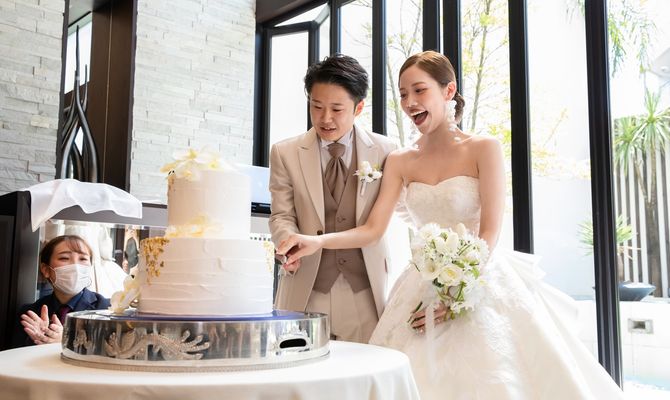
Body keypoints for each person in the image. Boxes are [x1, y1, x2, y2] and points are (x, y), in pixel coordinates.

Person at [277, 51, 624, 399]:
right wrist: (316, 242)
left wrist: (457, 293)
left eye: (419, 90)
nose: (409, 102)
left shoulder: (484, 148)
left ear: (448, 90)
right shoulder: (399, 159)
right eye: (403, 94)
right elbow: (372, 230)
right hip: (420, 282)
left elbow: (490, 231)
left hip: (481, 277)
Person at [269, 53, 397, 343]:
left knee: (364, 365)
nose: (325, 118)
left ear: (358, 107)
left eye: (337, 109)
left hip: (365, 287)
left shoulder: (386, 151)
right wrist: (287, 243)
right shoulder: (284, 153)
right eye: (316, 106)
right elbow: (282, 215)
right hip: (307, 285)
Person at [13, 235, 110, 347]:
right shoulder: (31, 313)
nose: (75, 266)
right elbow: (15, 354)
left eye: (83, 259)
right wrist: (39, 339)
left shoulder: (107, 310)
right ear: (46, 270)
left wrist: (66, 342)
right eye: (64, 258)